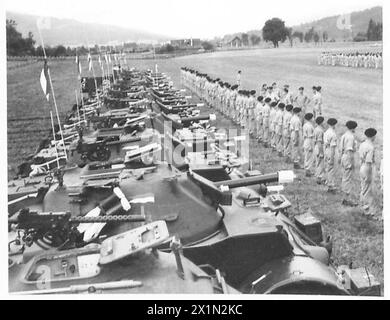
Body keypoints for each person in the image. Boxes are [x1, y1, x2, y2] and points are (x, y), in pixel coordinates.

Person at [359, 128, 377, 217]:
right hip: (367, 167)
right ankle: (367, 211)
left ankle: (363, 206)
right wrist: (369, 174)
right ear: (373, 136)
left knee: (363, 188)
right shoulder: (371, 146)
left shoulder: (362, 144)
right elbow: (369, 161)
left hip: (362, 166)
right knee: (367, 189)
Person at [339, 120, 358, 206]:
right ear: (353, 128)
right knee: (347, 178)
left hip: (343, 156)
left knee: (345, 177)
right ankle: (346, 199)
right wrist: (351, 162)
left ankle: (345, 197)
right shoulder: (350, 137)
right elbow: (349, 150)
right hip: (348, 157)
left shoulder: (344, 135)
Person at [324, 118, 338, 193]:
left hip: (326, 150)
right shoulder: (333, 134)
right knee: (331, 169)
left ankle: (328, 182)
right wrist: (332, 158)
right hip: (331, 151)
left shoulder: (326, 132)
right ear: (334, 125)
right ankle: (331, 185)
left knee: (328, 168)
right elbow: (333, 147)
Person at [313, 116, 326, 185]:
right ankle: (319, 178)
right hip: (319, 147)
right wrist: (321, 152)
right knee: (320, 164)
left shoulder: (316, 129)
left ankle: (318, 176)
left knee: (317, 163)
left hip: (316, 147)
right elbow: (319, 142)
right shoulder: (320, 130)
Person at [302, 113, 315, 177]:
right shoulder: (309, 126)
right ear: (310, 118)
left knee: (306, 156)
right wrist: (311, 146)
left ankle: (307, 169)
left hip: (306, 141)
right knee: (310, 157)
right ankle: (308, 170)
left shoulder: (305, 125)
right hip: (309, 141)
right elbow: (310, 136)